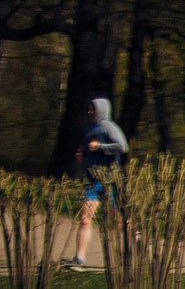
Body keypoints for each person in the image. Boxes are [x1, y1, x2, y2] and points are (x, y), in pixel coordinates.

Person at [71, 97, 127, 268]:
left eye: (92, 109)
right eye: (88, 109)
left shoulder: (108, 126)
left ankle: (132, 245)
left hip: (110, 179)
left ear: (101, 110)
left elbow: (122, 146)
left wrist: (100, 147)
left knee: (117, 220)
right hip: (93, 181)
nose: (89, 112)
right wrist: (83, 154)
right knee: (85, 218)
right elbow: (90, 149)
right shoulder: (90, 129)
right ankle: (80, 258)